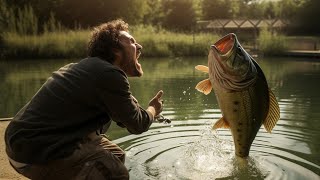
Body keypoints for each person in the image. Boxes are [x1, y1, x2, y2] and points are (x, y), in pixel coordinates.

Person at [4, 19, 164, 180]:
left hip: (21, 144)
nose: (139, 47)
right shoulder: (109, 74)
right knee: (115, 173)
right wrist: (153, 109)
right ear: (115, 50)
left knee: (115, 156)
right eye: (132, 42)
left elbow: (128, 116)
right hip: (33, 153)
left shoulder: (90, 69)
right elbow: (138, 124)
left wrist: (141, 109)